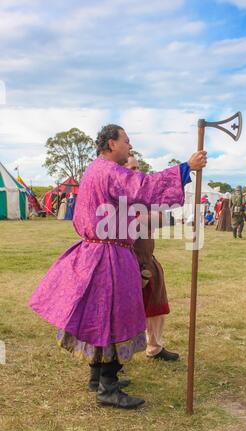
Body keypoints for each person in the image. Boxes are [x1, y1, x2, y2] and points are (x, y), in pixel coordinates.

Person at [29, 124, 207, 410]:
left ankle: (97, 377)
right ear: (111, 144)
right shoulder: (109, 171)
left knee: (101, 317)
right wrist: (186, 168)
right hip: (108, 256)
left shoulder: (96, 170)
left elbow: (137, 198)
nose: (129, 146)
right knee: (113, 318)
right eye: (126, 141)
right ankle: (108, 388)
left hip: (101, 252)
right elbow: (144, 186)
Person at [125, 155, 179, 362]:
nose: (137, 172)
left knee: (157, 303)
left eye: (138, 167)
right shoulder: (117, 192)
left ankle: (154, 347)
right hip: (126, 261)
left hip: (147, 258)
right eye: (131, 167)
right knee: (125, 311)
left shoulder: (144, 194)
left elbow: (163, 219)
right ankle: (118, 358)